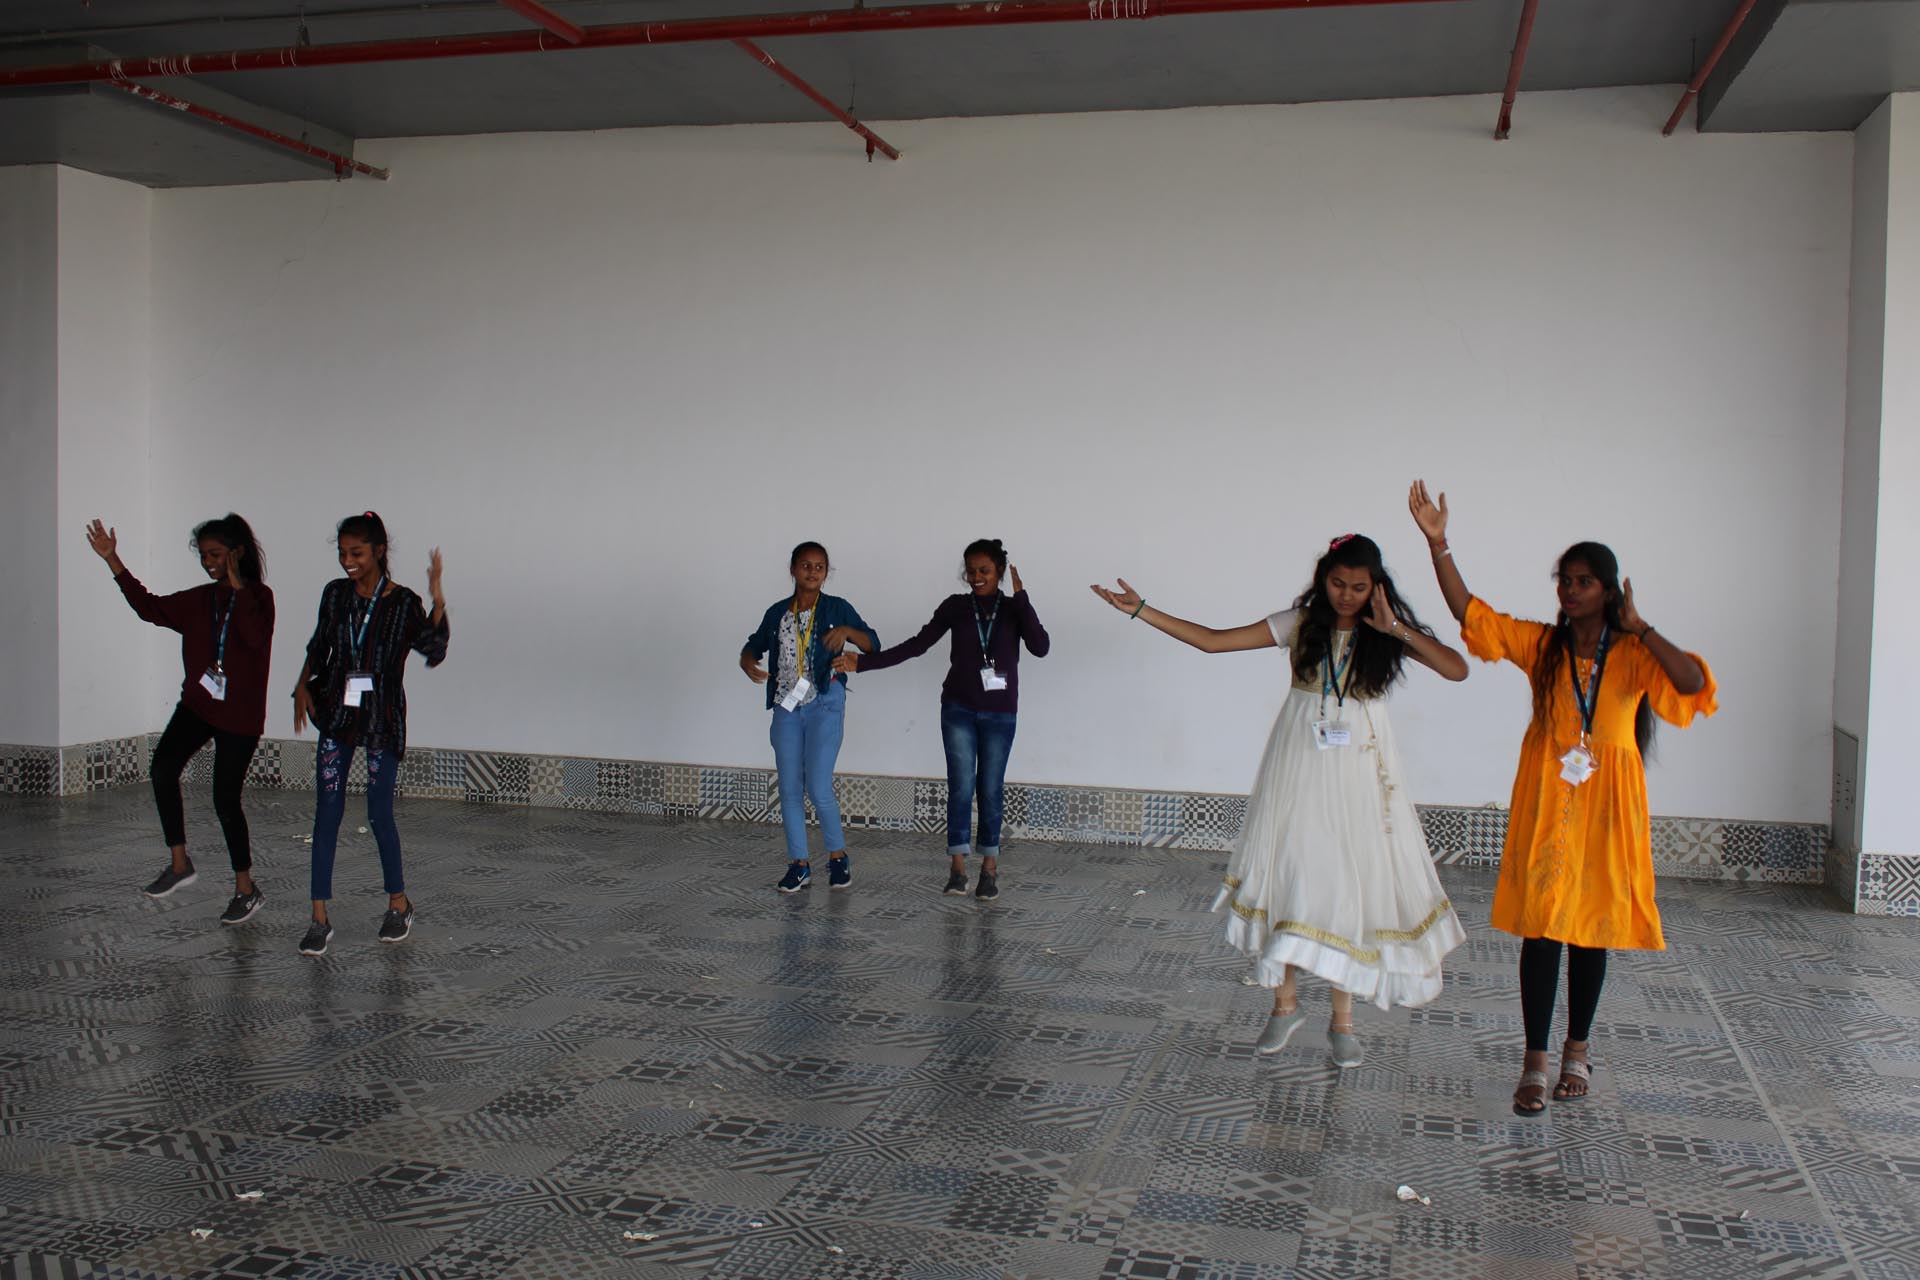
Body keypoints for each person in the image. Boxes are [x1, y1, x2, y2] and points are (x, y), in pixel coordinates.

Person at [1091, 534, 1467, 1066]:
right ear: (1323, 579)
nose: (1346, 595)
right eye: (1337, 584)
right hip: (1298, 765)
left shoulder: (1385, 632)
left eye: (1359, 587)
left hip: (1361, 772)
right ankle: (1284, 1005)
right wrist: (1142, 611)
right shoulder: (1302, 625)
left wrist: (1397, 628)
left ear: (1375, 587)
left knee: (1349, 884)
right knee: (1288, 872)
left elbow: (1457, 668)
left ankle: (1343, 1021)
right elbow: (1214, 641)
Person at [1409, 480, 1717, 1115]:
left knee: (1590, 931)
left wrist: (1644, 626)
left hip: (1608, 806)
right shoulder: (1543, 647)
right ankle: (1535, 1061)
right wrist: (1439, 543)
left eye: (1583, 581)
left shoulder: (1633, 654)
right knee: (1542, 928)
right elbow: (1473, 616)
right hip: (1549, 802)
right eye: (1565, 580)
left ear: (1608, 591)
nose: (1570, 590)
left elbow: (1690, 682)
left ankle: (1577, 1050)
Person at [835, 538, 1049, 901]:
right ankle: (957, 869)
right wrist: (865, 662)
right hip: (958, 709)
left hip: (1000, 713)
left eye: (984, 570)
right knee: (961, 786)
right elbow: (918, 645)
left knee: (991, 788)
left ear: (998, 570)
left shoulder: (1014, 609)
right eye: (971, 570)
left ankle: (990, 870)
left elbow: (1040, 647)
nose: (977, 577)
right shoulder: (955, 607)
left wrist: (1023, 599)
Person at [86, 515, 275, 923]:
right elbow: (149, 607)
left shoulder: (259, 598)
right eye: (204, 555)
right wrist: (112, 560)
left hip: (239, 715)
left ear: (236, 554)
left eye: (216, 555)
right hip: (199, 703)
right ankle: (179, 863)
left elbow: (254, 639)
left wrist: (238, 587)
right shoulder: (200, 599)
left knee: (225, 799)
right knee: (163, 768)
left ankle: (246, 888)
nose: (208, 562)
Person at [290, 512, 448, 956]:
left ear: (379, 551)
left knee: (379, 813)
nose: (347, 562)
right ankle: (319, 917)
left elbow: (433, 650)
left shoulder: (402, 603)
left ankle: (398, 902)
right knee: (327, 811)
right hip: (338, 715)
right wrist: (302, 684)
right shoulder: (335, 595)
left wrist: (437, 598)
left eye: (356, 553)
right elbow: (320, 643)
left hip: (382, 718)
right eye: (342, 553)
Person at [741, 542, 877, 894]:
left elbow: (871, 643)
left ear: (826, 572)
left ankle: (837, 856)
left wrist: (848, 633)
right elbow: (755, 643)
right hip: (787, 704)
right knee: (788, 788)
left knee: (817, 785)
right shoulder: (777, 613)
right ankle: (798, 865)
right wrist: (747, 660)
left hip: (825, 701)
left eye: (819, 566)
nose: (813, 571)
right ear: (792, 569)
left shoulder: (836, 607)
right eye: (806, 565)